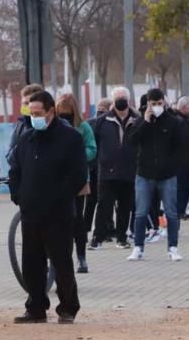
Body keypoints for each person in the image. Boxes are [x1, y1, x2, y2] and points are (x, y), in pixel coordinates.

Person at [9, 90, 87, 325]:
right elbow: (15, 169)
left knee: (61, 261)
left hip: (58, 213)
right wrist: (18, 195)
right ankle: (35, 308)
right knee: (31, 262)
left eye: (39, 113)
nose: (34, 118)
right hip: (30, 212)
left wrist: (58, 198)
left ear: (51, 112)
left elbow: (78, 175)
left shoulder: (70, 138)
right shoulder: (27, 138)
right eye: (31, 114)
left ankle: (68, 307)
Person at [126, 88, 189, 262]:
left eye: (159, 103)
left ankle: (173, 247)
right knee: (141, 212)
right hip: (144, 174)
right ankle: (138, 248)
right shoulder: (140, 121)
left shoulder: (173, 122)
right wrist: (146, 122)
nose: (156, 107)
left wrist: (173, 165)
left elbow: (181, 147)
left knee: (171, 212)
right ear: (147, 104)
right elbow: (132, 142)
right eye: (153, 104)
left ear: (164, 102)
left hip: (167, 175)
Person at [92, 87, 139, 249]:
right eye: (118, 97)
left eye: (123, 97)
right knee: (104, 205)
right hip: (107, 171)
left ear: (129, 100)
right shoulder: (103, 121)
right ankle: (97, 238)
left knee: (125, 206)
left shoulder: (137, 120)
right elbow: (95, 143)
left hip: (129, 171)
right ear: (113, 101)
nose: (121, 100)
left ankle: (121, 237)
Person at [55, 94, 97, 273]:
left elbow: (92, 149)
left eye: (68, 114)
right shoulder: (53, 127)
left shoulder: (83, 127)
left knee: (77, 220)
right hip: (56, 180)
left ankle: (81, 257)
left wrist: (78, 156)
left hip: (79, 179)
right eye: (61, 113)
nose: (64, 117)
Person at [84, 98, 111, 250]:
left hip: (96, 167)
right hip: (99, 167)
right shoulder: (100, 123)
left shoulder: (91, 123)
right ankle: (100, 229)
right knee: (98, 201)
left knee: (94, 201)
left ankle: (90, 228)